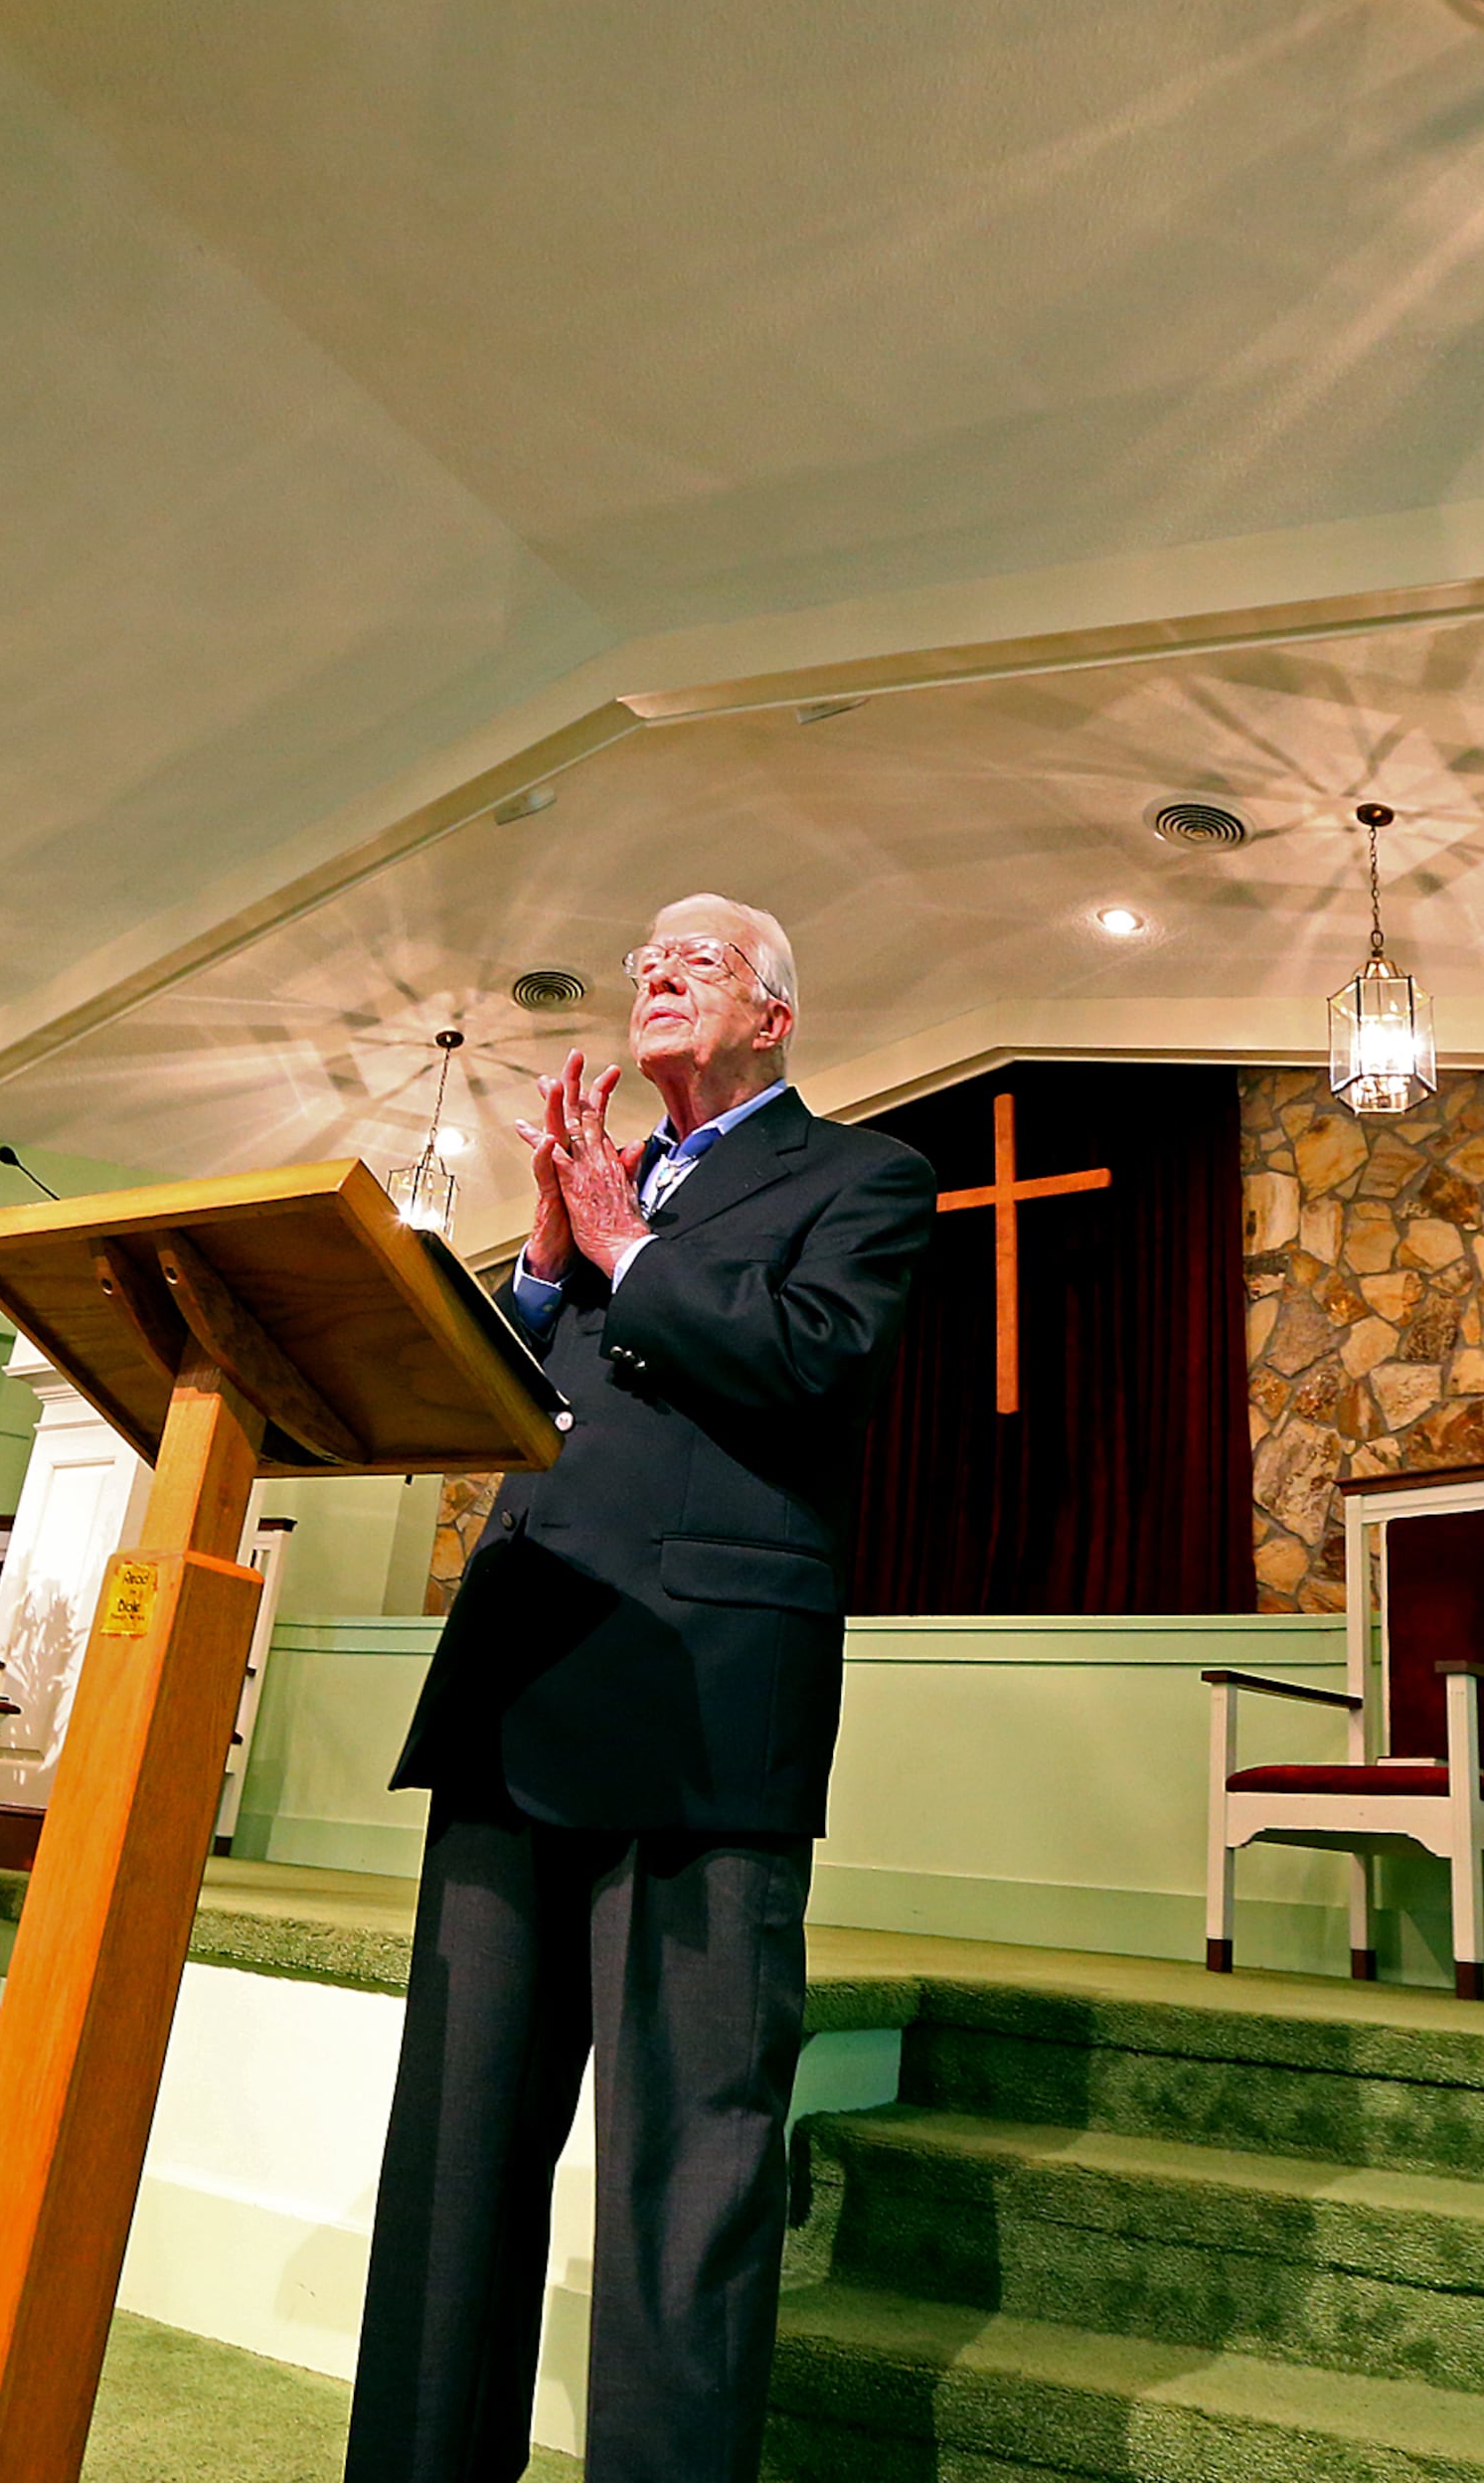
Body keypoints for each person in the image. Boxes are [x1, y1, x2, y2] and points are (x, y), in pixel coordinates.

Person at [344, 894, 935, 2483]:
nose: (658, 974)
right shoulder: (591, 1191)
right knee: (454, 2158)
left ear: (778, 1015)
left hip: (699, 1714)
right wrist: (540, 1268)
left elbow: (816, 1363)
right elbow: (506, 1402)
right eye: (646, 961)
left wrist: (623, 1247)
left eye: (702, 960)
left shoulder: (866, 1177)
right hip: (518, 1687)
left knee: (685, 2176)